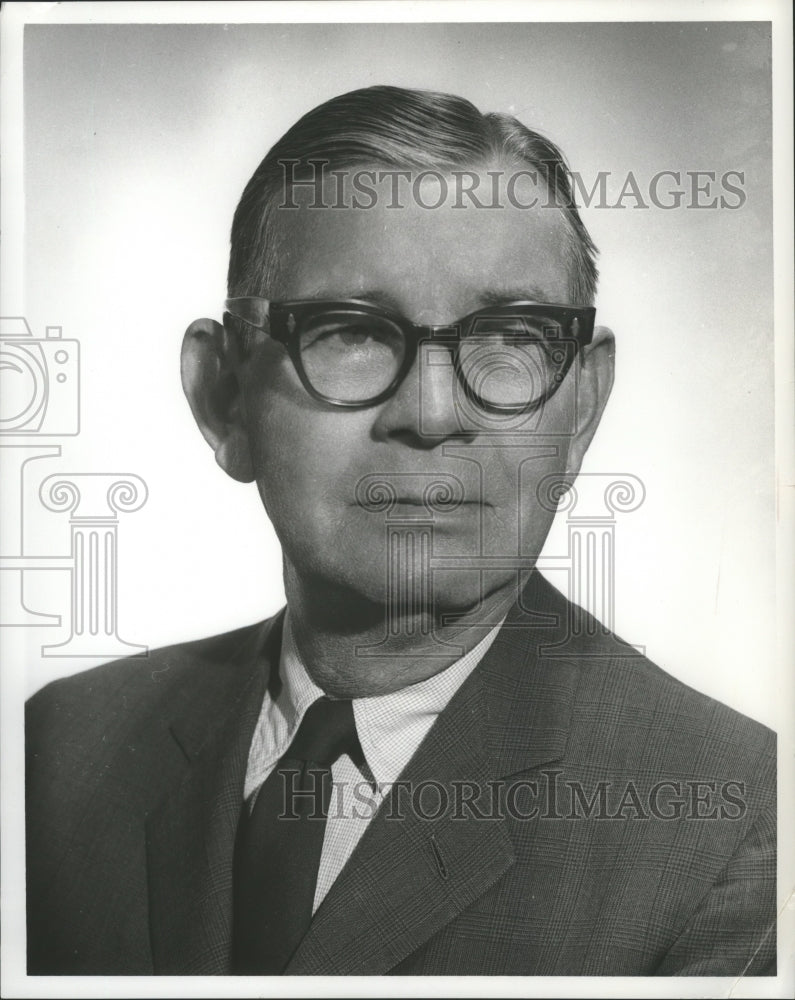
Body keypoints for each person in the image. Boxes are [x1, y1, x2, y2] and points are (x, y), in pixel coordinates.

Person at [26, 85, 775, 977]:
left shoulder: (733, 823)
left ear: (581, 408)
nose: (430, 413)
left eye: (510, 335)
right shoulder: (61, 746)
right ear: (224, 398)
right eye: (350, 331)